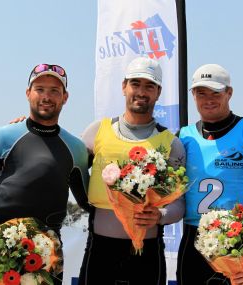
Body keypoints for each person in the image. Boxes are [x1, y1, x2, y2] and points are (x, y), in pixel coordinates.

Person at [0, 63, 91, 285]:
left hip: (47, 259)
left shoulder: (76, 148)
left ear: (65, 97)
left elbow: (90, 202)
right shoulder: (2, 137)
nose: (46, 96)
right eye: (40, 89)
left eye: (54, 91)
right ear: (28, 93)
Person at [78, 57, 186, 285]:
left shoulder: (171, 143)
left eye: (149, 86)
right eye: (135, 84)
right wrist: (24, 125)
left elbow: (179, 204)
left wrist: (160, 215)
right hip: (100, 251)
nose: (141, 92)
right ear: (124, 86)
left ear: (158, 92)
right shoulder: (96, 131)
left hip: (147, 256)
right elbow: (67, 168)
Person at [176, 64, 243, 285]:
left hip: (239, 246)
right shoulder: (183, 137)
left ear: (229, 93)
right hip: (193, 248)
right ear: (192, 95)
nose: (208, 99)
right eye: (201, 93)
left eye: (216, 92)